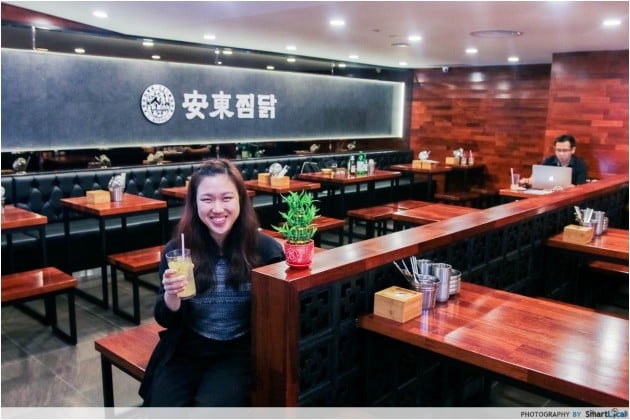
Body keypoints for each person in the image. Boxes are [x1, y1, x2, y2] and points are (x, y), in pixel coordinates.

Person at [139, 159, 285, 406]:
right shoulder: (178, 251)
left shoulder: (265, 251)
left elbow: (277, 316)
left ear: (241, 200)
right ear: (195, 204)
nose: (217, 209)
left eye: (226, 198)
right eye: (207, 199)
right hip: (188, 347)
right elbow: (166, 319)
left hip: (236, 352)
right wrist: (172, 295)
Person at [519, 134, 588, 186]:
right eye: (558, 150)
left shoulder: (580, 165)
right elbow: (534, 179)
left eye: (565, 150)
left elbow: (580, 189)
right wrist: (527, 181)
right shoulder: (549, 160)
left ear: (573, 150)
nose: (561, 154)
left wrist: (568, 188)